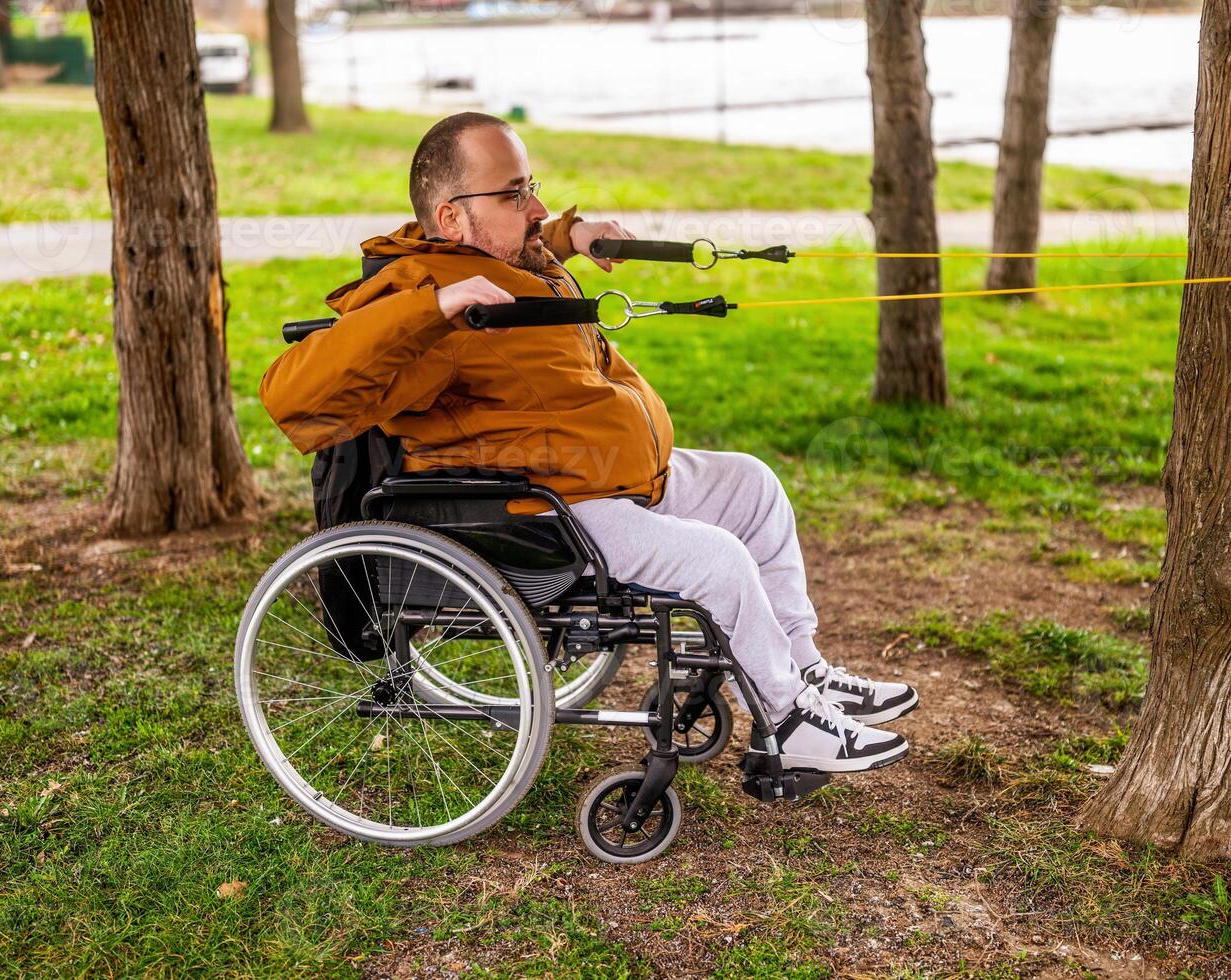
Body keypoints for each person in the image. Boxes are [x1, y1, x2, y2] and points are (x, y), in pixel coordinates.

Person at [259, 112, 918, 773]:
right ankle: (788, 720)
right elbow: (290, 392)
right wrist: (430, 310)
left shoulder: (492, 254)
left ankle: (806, 672)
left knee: (753, 487)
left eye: (532, 186)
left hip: (610, 479)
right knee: (717, 561)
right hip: (549, 513)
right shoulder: (422, 300)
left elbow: (515, 244)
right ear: (452, 217)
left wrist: (568, 235)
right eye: (515, 193)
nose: (535, 205)